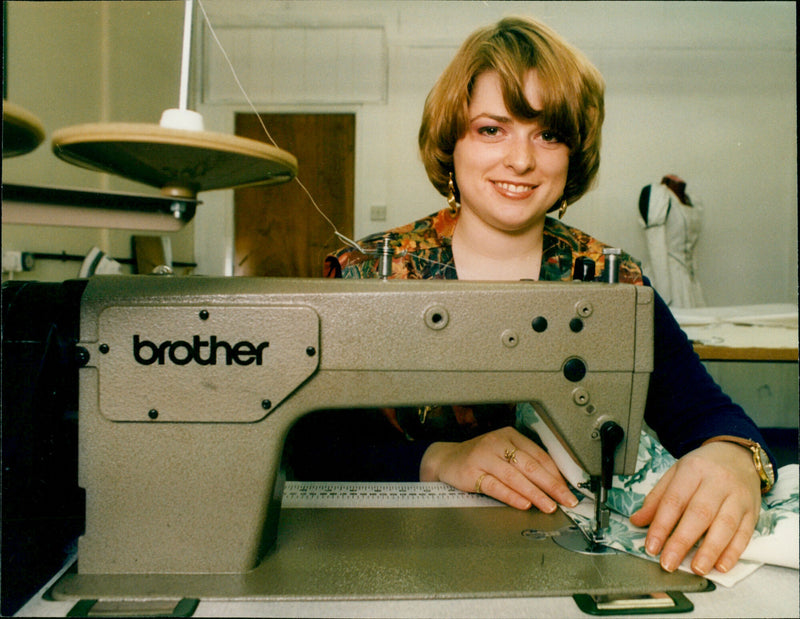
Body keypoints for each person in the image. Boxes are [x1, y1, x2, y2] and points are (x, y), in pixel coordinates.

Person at [286, 16, 776, 578]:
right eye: (492, 129)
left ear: (571, 156)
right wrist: (441, 458)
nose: (521, 160)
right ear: (452, 142)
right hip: (391, 555)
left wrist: (734, 457)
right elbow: (311, 447)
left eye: (548, 134)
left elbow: (706, 411)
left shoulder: (610, 280)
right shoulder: (368, 275)